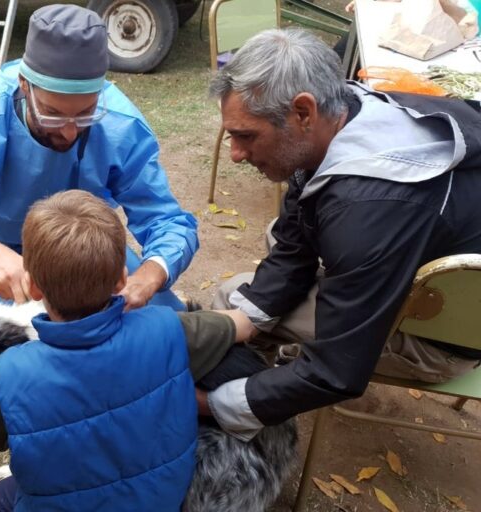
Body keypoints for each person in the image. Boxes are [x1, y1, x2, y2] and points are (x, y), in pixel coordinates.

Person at [199, 28, 481, 442]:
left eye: (246, 136)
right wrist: (242, 322)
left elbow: (337, 370)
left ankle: (251, 421)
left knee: (230, 296)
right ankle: (260, 386)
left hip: (444, 339)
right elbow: (294, 242)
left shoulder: (367, 209)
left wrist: (209, 404)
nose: (237, 155)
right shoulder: (352, 112)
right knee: (240, 304)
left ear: (303, 112)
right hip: (432, 286)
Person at [0, 190, 258, 511]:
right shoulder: (170, 329)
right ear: (123, 278)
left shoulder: (7, 371)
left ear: (33, 285)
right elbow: (246, 324)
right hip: (159, 501)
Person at [0, 4, 198, 311]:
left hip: (82, 250)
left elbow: (168, 221)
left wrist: (148, 278)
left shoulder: (121, 126)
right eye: (52, 114)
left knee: (162, 327)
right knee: (1, 348)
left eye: (86, 114)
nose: (70, 133)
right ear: (24, 85)